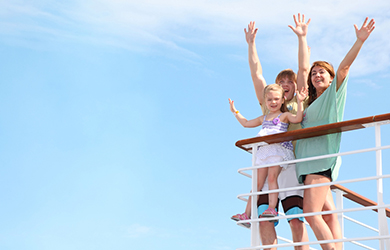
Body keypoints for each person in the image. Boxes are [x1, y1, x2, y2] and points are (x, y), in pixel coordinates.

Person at [294, 17, 375, 250]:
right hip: (307, 164)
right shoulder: (309, 104)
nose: (316, 75)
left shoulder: (333, 96)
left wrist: (359, 41)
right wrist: (301, 39)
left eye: (322, 72)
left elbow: (344, 68)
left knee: (311, 214)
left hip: (320, 160)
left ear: (330, 79)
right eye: (314, 73)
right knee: (328, 215)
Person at [233, 15, 311, 250]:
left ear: (295, 85)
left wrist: (302, 37)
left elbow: (303, 67)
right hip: (267, 165)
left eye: (290, 80)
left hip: (290, 165)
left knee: (296, 219)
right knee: (264, 218)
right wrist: (251, 45)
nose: (286, 82)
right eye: (281, 80)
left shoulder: (298, 104)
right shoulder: (267, 106)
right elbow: (256, 74)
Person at [229, 83, 307, 222]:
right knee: (257, 184)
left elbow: (298, 118)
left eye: (276, 99)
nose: (273, 102)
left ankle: (272, 208)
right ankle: (246, 213)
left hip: (277, 151)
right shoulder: (263, 118)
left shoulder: (284, 115)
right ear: (265, 101)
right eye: (270, 99)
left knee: (272, 178)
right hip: (264, 152)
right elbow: (246, 123)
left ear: (283, 100)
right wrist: (235, 111)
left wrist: (300, 102)